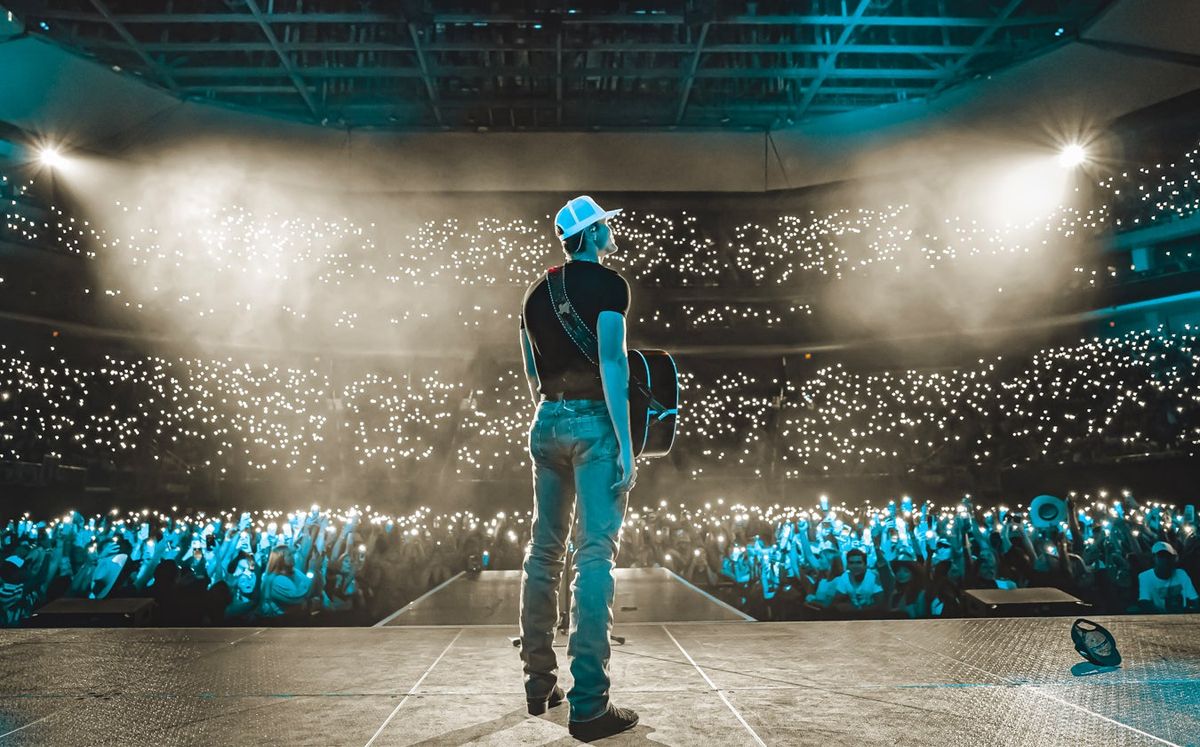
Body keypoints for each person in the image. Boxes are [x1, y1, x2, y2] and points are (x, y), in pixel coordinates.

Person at [516, 195, 640, 741]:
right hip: (594, 423)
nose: (612, 231)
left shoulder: (533, 293)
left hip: (546, 420)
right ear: (591, 235)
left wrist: (553, 418)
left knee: (543, 551)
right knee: (593, 557)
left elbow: (530, 371)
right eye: (606, 225)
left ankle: (539, 683)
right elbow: (612, 363)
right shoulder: (611, 287)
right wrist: (626, 442)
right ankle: (590, 706)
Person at [1136, 542, 1199, 613]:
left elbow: (1194, 598)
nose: (1165, 559)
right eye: (1161, 556)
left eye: (1168, 556)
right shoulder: (1145, 577)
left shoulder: (1181, 573)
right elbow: (1145, 601)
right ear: (1154, 558)